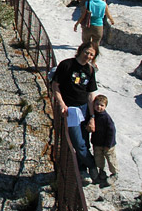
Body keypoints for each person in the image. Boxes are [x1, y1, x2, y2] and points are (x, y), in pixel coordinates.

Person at [51, 42, 100, 184]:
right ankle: (92, 166)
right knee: (78, 142)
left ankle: (83, 169)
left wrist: (92, 117)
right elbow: (55, 85)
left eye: (91, 54)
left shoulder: (90, 70)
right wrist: (62, 104)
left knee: (84, 140)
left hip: (84, 108)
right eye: (87, 52)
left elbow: (90, 94)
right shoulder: (66, 65)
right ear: (80, 50)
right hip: (70, 110)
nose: (88, 56)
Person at [91, 94, 118, 188]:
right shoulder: (93, 115)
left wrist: (109, 144)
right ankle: (101, 171)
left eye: (102, 105)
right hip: (97, 143)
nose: (99, 107)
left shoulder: (106, 118)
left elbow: (112, 131)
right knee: (98, 158)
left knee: (110, 159)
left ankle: (114, 173)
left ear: (105, 106)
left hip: (107, 144)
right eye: (97, 104)